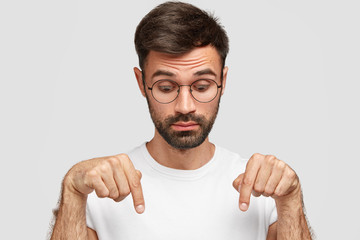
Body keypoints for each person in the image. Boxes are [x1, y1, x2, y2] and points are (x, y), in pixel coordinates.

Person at [50, 2, 312, 239]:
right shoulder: (101, 190)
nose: (185, 106)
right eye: (166, 87)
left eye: (201, 86)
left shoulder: (264, 191)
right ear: (142, 83)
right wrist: (73, 189)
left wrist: (290, 198)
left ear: (223, 81)